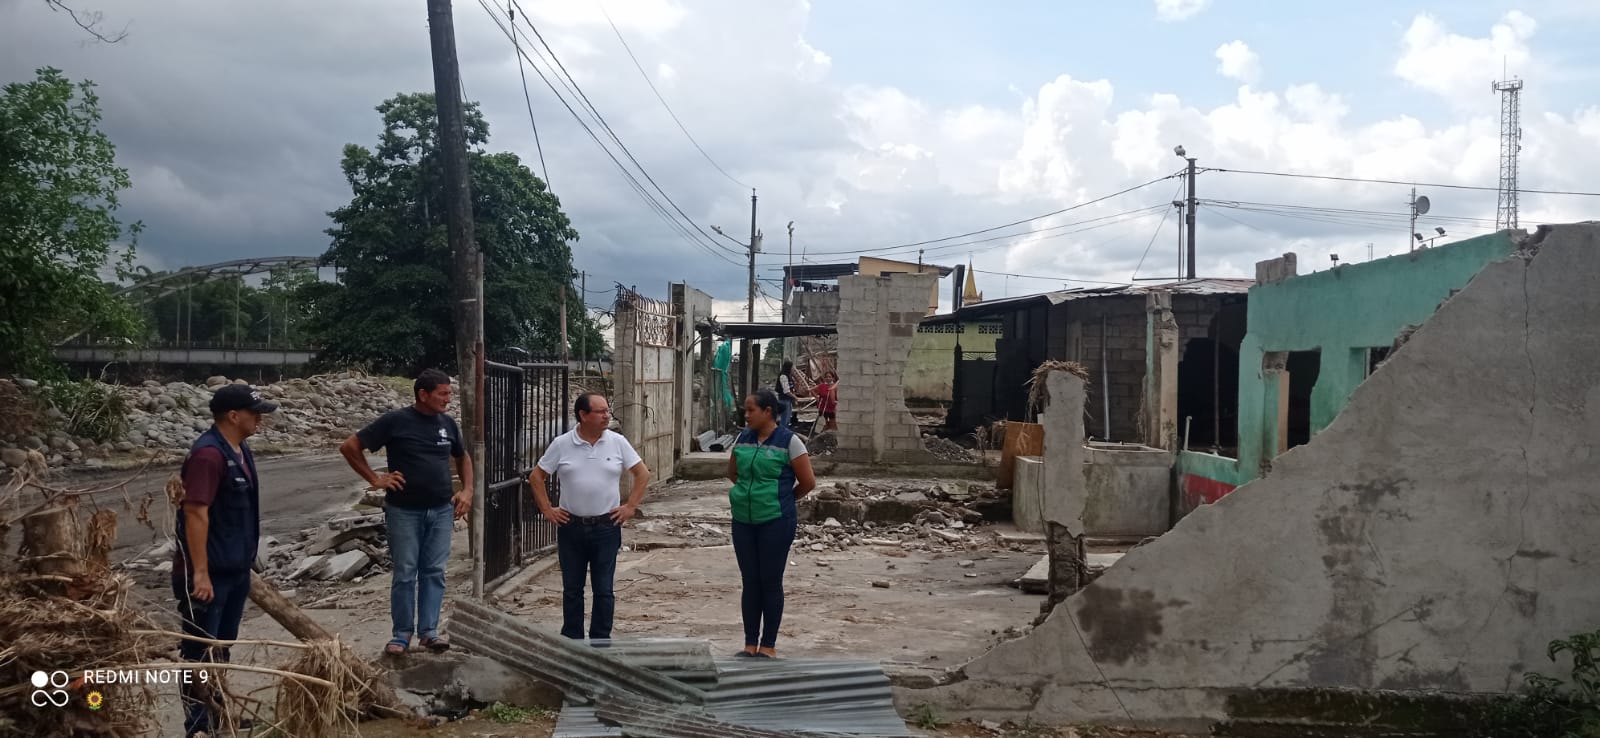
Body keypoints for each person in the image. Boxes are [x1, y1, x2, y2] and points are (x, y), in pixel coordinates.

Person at [340, 369, 473, 656]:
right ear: (423, 394)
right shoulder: (395, 421)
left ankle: (429, 633)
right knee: (405, 573)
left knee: (434, 571)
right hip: (404, 512)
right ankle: (401, 634)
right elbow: (350, 447)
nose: (448, 399)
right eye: (442, 394)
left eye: (449, 394)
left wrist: (467, 491)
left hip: (441, 511)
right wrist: (375, 479)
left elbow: (462, 457)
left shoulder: (447, 424)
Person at [174, 383, 276, 737]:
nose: (260, 418)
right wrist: (200, 573)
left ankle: (218, 714)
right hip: (209, 574)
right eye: (254, 413)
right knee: (199, 650)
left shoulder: (240, 449)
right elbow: (195, 514)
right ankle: (198, 725)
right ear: (233, 416)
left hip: (235, 571)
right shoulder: (207, 456)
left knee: (221, 648)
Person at [530, 393, 651, 640]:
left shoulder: (617, 442)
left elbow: (642, 473)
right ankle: (572, 640)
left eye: (608, 410)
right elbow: (536, 476)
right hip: (571, 526)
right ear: (583, 415)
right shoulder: (562, 444)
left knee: (604, 589)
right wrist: (547, 509)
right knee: (572, 588)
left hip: (606, 527)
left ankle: (600, 641)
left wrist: (630, 506)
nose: (607, 416)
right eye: (601, 411)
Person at [725, 389, 816, 658]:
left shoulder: (790, 442)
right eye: (745, 410)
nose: (746, 415)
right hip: (743, 521)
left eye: (751, 410)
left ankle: (768, 646)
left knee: (770, 581)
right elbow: (733, 472)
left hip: (776, 522)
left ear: (768, 412)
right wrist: (746, 494)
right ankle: (749, 644)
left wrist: (782, 499)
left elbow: (808, 482)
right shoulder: (743, 439)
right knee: (750, 581)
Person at [774, 360, 798, 429]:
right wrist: (795, 397)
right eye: (792, 367)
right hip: (784, 400)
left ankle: (784, 431)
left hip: (788, 400)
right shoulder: (783, 376)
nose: (793, 369)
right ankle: (782, 432)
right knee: (784, 420)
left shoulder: (788, 376)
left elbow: (791, 389)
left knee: (787, 419)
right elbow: (786, 391)